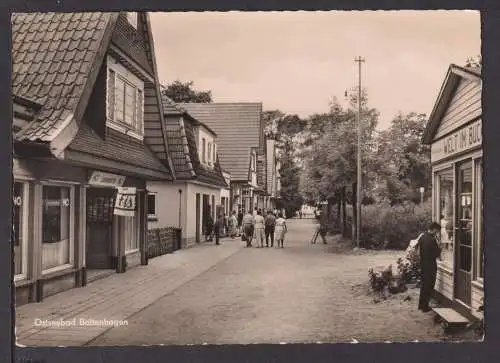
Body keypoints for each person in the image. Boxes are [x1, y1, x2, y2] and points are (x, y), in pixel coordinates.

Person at [416, 222, 442, 312]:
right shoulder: (432, 239)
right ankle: (425, 307)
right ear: (434, 229)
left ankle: (421, 305)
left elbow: (417, 248)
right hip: (430, 265)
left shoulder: (423, 236)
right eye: (437, 231)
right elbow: (436, 254)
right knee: (429, 285)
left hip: (423, 263)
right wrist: (440, 247)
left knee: (424, 285)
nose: (437, 233)